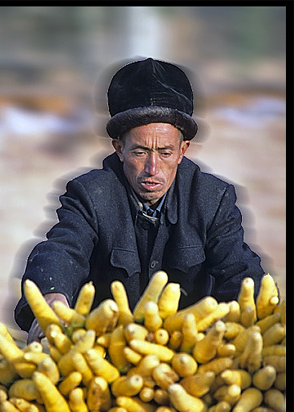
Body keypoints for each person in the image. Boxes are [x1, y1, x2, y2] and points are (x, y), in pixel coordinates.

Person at [14, 57, 265, 343]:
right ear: (119, 148)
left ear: (183, 151)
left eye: (166, 153)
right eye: (140, 152)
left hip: (193, 352)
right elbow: (62, 250)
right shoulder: (90, 195)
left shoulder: (212, 199)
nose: (152, 169)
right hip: (103, 351)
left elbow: (240, 274)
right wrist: (52, 296)